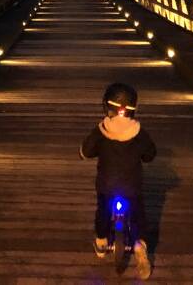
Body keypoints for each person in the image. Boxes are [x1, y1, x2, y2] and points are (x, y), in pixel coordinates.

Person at [79, 81, 156, 279]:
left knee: (102, 209)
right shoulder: (139, 133)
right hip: (132, 186)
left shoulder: (101, 130)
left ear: (107, 106)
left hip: (106, 185)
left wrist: (85, 152)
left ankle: (102, 241)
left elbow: (86, 151)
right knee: (138, 211)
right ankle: (140, 244)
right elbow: (150, 154)